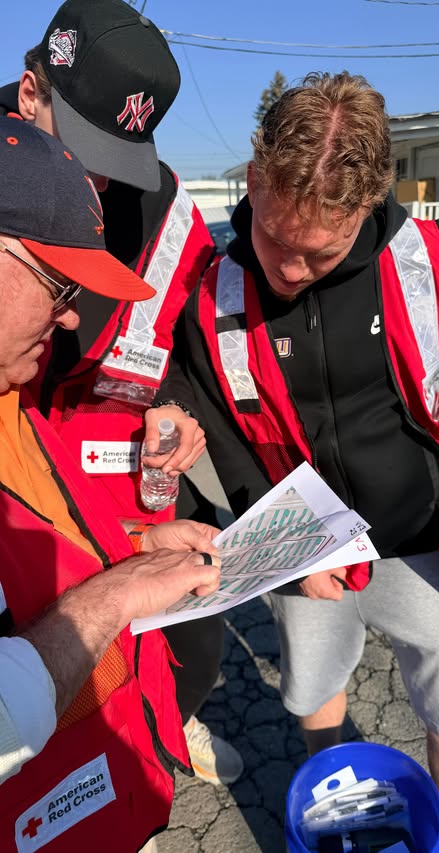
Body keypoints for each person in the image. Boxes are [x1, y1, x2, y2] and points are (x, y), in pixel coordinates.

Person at [149, 71, 439, 853]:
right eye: (272, 238)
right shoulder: (217, 291)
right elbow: (215, 425)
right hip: (304, 541)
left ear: (365, 206)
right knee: (315, 693)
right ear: (257, 178)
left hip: (427, 534)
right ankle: (335, 820)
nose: (288, 272)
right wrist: (286, 546)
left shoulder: (424, 259)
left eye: (318, 254)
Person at [0, 0, 243, 787]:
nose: (99, 177)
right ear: (31, 93)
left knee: (184, 636)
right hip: (20, 479)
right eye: (86, 146)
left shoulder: (162, 206)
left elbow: (180, 346)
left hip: (110, 476)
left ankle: (163, 725)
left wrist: (172, 405)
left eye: (122, 154)